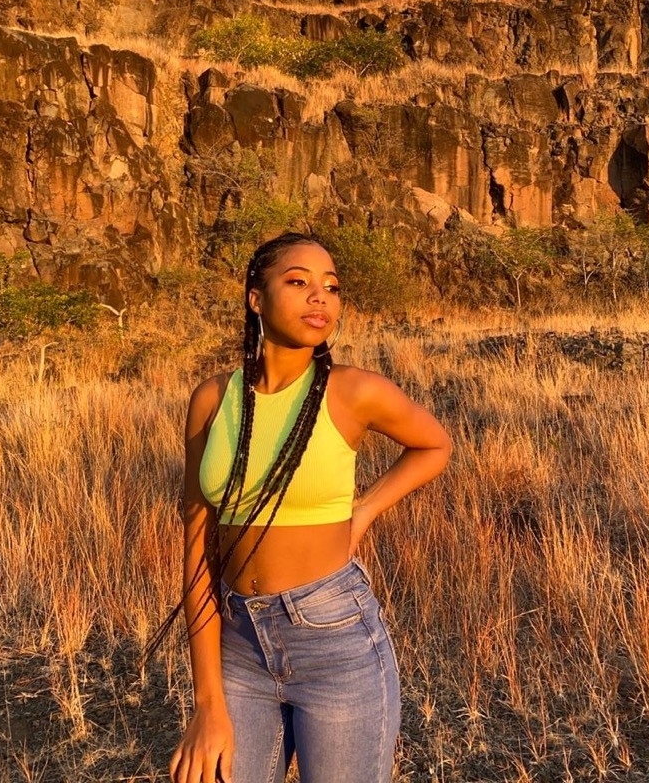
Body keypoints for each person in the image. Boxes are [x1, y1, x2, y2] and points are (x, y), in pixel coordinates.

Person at [168, 231, 451, 783]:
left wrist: (364, 510)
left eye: (332, 287)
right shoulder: (213, 399)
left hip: (335, 639)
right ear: (256, 297)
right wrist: (207, 703)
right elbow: (198, 547)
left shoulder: (352, 391)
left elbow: (434, 445)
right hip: (239, 639)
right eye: (298, 282)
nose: (320, 297)